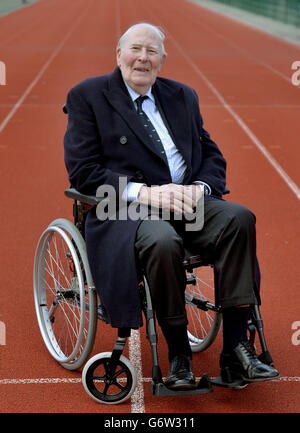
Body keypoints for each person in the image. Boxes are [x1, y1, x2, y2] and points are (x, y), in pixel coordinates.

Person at [63, 22, 279, 389]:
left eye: (152, 52)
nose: (142, 58)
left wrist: (200, 187)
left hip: (186, 201)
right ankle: (179, 350)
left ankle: (237, 349)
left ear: (162, 60)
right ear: (119, 55)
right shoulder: (89, 96)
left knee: (239, 218)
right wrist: (143, 193)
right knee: (161, 241)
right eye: (135, 49)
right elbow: (82, 171)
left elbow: (210, 152)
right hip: (127, 209)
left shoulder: (182, 96)